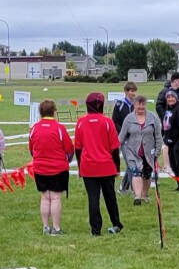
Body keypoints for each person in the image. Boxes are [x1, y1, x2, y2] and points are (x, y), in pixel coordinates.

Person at [74, 91, 123, 236]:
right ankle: (116, 224)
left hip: (88, 167)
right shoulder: (107, 122)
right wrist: (117, 167)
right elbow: (115, 148)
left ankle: (95, 230)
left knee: (93, 198)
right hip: (106, 166)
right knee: (110, 197)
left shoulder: (81, 122)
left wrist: (80, 166)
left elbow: (78, 148)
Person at [29, 98, 75, 232]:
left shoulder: (34, 128)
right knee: (55, 198)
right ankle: (56, 227)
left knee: (44, 197)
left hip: (39, 168)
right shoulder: (59, 128)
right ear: (54, 112)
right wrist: (67, 160)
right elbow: (69, 148)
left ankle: (45, 226)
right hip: (58, 168)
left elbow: (31, 149)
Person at [118, 95, 160, 206]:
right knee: (135, 172)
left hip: (148, 153)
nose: (141, 107)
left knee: (146, 174)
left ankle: (144, 195)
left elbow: (158, 136)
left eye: (143, 105)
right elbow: (121, 137)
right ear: (134, 105)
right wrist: (115, 149)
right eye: (138, 105)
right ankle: (137, 196)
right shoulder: (128, 119)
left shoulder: (152, 117)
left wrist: (157, 150)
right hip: (133, 153)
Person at [113, 83, 137, 193]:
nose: (133, 93)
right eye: (131, 91)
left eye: (134, 91)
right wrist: (123, 131)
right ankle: (135, 189)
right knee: (131, 164)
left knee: (130, 164)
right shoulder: (119, 104)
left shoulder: (135, 105)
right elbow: (114, 121)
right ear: (126, 92)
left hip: (134, 138)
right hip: (123, 139)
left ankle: (123, 187)